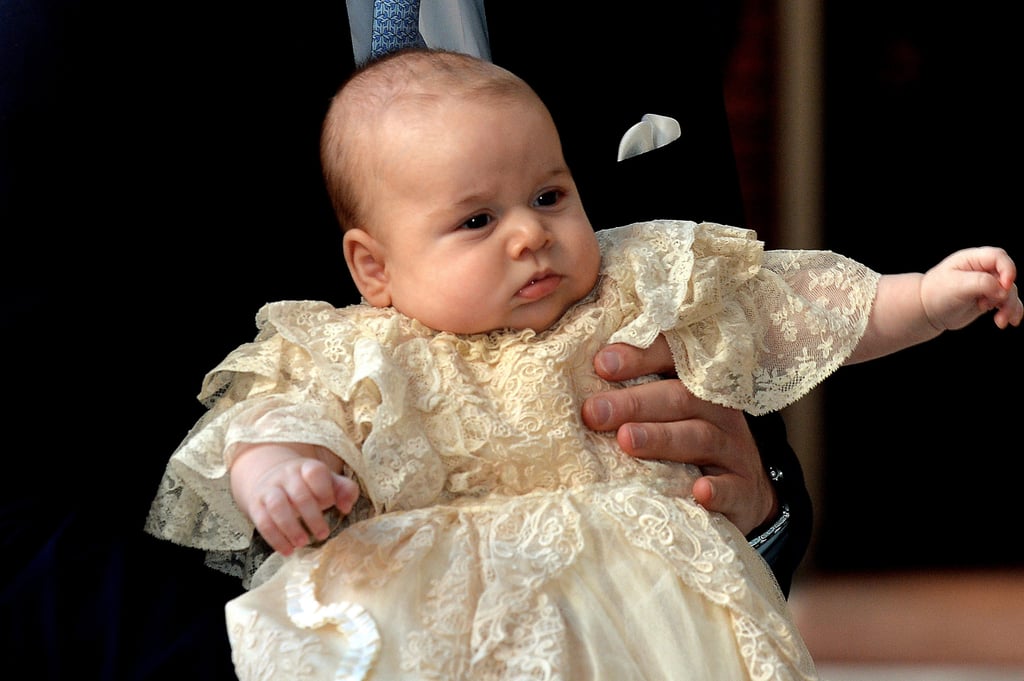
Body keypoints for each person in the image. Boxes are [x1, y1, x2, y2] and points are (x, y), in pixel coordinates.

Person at [144, 49, 1021, 680]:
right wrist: (283, 474)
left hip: (655, 625)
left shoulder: (631, 284)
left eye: (548, 195)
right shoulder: (365, 349)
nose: (531, 233)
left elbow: (792, 306)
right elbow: (269, 415)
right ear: (373, 267)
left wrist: (924, 297)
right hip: (449, 636)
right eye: (477, 221)